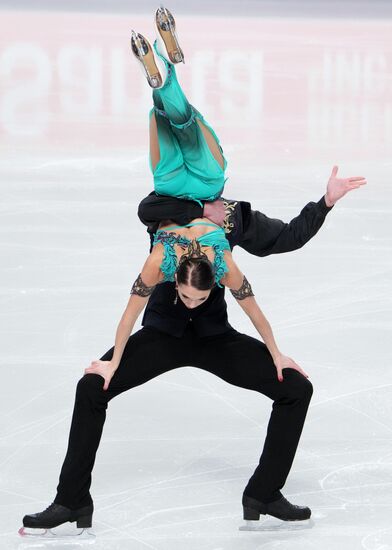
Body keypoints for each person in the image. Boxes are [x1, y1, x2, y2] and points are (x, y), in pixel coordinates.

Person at [20, 6, 367, 536]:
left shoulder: (230, 232)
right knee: (91, 387)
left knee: (296, 387)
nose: (188, 293)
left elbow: (282, 252)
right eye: (184, 291)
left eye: (192, 292)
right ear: (178, 278)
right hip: (159, 337)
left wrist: (325, 201)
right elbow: (147, 219)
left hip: (213, 341)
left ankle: (264, 491)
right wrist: (110, 362)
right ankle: (73, 501)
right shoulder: (165, 240)